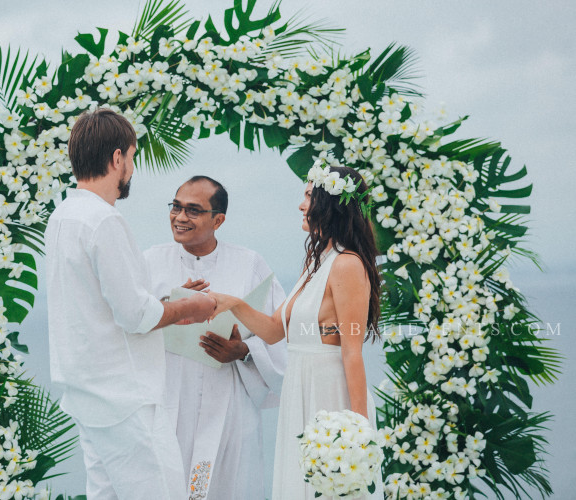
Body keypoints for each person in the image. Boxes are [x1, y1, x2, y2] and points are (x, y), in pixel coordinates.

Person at [45, 108, 217, 500]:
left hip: (87, 395)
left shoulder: (63, 217)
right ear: (117, 158)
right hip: (125, 400)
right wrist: (190, 307)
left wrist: (169, 301)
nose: (132, 169)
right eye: (133, 158)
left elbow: (100, 304)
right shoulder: (103, 221)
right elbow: (135, 315)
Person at [210, 165, 384, 499]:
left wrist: (359, 429)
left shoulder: (347, 264)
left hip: (329, 392)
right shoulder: (316, 262)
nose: (301, 205)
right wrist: (232, 303)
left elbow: (352, 351)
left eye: (308, 196)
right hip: (299, 387)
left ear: (329, 203)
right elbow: (274, 331)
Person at [143, 176, 287, 499]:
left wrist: (243, 350)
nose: (180, 217)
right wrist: (168, 308)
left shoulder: (249, 264)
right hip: (170, 396)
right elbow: (127, 324)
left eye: (193, 210)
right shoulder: (151, 261)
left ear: (218, 220)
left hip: (229, 403)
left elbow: (278, 334)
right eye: (176, 207)